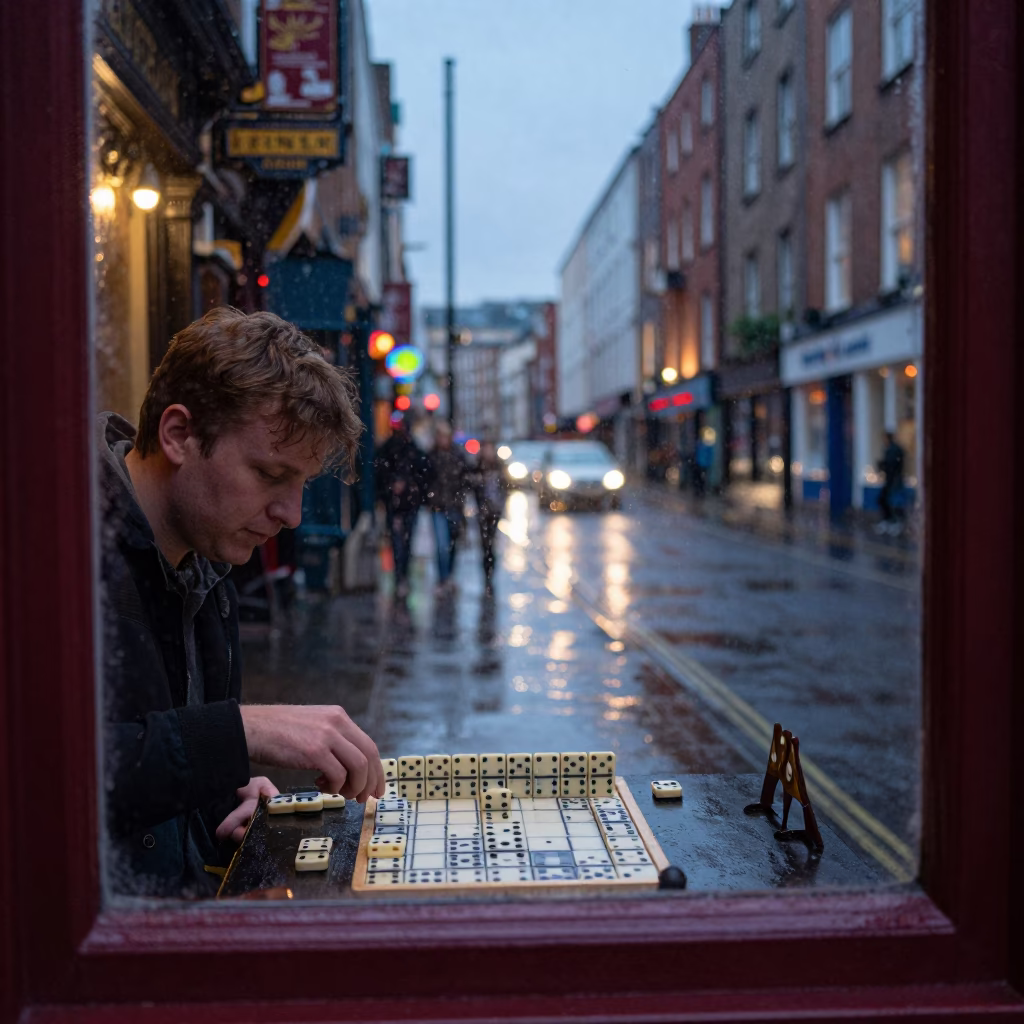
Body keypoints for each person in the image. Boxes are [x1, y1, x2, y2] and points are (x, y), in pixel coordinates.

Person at [100, 307, 386, 898]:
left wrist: (220, 801)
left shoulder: (208, 569)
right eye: (269, 474)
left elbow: (152, 765)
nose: (292, 514)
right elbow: (47, 774)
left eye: (301, 484)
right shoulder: (60, 557)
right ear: (178, 435)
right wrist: (237, 732)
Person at [374, 412, 431, 599]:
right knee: (400, 542)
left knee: (403, 542)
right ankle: (400, 577)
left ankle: (402, 576)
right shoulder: (395, 449)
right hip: (397, 504)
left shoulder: (407, 450)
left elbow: (423, 472)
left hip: (406, 504)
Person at [426, 421, 468, 593]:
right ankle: (443, 578)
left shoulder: (457, 456)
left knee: (452, 543)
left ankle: (449, 576)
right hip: (438, 507)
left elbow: (464, 480)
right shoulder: (432, 456)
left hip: (454, 506)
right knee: (442, 545)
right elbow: (425, 479)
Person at [468, 440, 509, 594]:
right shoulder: (477, 467)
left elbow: (505, 487)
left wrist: (500, 504)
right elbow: (471, 486)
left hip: (494, 511)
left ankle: (491, 572)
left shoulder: (498, 467)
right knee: (484, 544)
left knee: (491, 543)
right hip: (482, 512)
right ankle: (486, 573)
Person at [875, 430, 906, 535]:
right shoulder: (891, 449)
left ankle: (896, 522)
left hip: (893, 480)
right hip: (892, 480)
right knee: (886, 500)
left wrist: (883, 466)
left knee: (894, 501)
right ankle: (891, 521)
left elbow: (892, 465)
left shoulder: (893, 450)